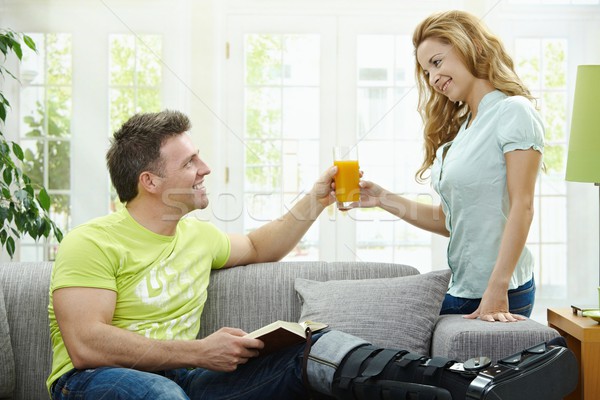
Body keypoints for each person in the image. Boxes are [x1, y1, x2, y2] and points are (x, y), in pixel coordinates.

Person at [47, 110, 574, 400]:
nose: (205, 168)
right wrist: (198, 352)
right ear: (151, 181)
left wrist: (317, 198)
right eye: (190, 162)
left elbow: (261, 245)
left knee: (313, 349)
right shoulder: (93, 241)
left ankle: (469, 382)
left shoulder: (195, 237)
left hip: (187, 378)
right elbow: (88, 344)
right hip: (93, 383)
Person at [358, 10, 544, 322]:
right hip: (464, 288)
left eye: (437, 62)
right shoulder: (458, 137)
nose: (432, 78)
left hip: (500, 291)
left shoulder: (514, 112)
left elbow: (522, 206)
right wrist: (381, 198)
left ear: (470, 44)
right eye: (426, 71)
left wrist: (497, 289)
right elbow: (450, 221)